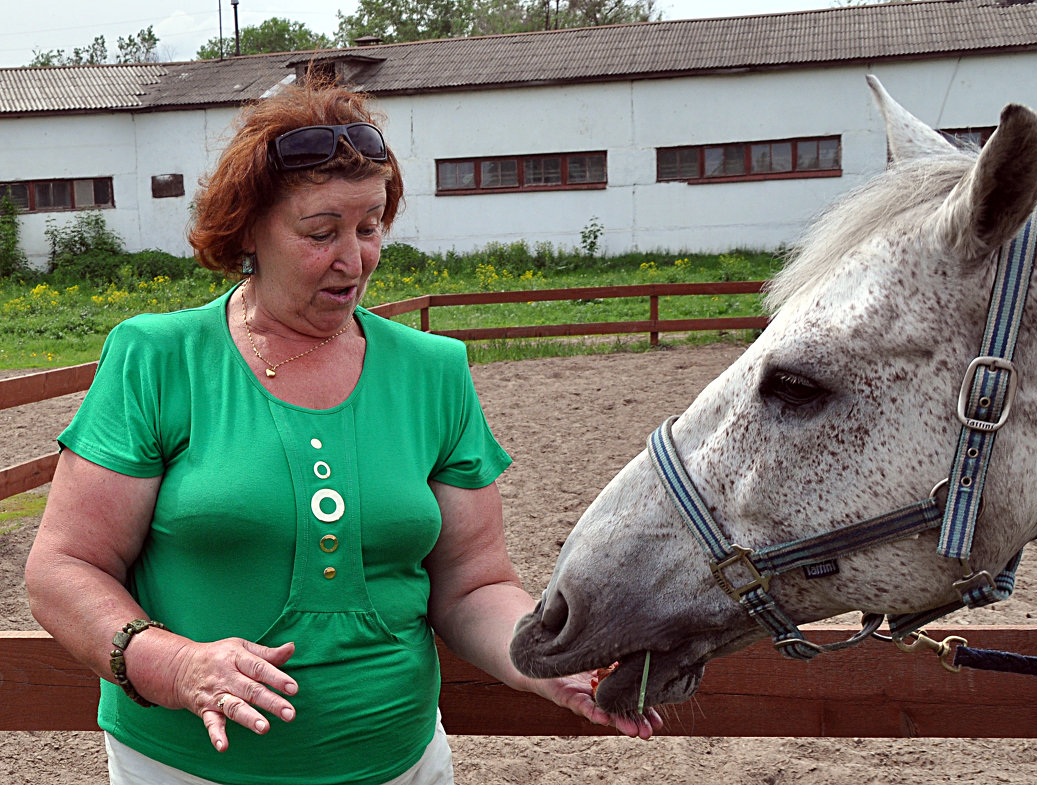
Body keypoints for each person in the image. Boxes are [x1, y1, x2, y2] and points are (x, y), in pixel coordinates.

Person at [24, 78, 661, 785]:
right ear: (248, 230)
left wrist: (546, 663)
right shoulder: (159, 359)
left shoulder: (433, 370)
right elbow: (62, 570)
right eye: (321, 232)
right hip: (185, 767)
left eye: (370, 226)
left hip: (402, 763)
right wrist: (173, 664)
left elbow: (473, 584)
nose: (353, 259)